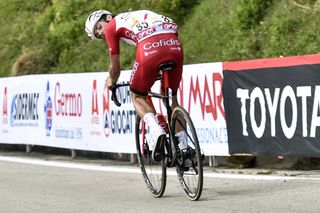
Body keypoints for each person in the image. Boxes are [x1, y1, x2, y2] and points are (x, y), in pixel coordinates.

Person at [85, 9, 186, 161]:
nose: (102, 34)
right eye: (98, 35)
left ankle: (155, 130)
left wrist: (111, 81)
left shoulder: (113, 25)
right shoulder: (141, 14)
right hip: (174, 46)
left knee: (137, 95)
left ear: (107, 17)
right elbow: (174, 26)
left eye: (99, 28)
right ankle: (185, 150)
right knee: (171, 98)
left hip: (149, 50)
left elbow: (115, 68)